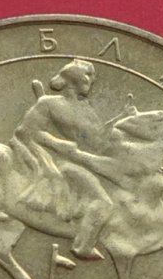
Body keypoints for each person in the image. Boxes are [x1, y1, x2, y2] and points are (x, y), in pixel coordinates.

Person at [10, 59, 114, 259]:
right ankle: (83, 246)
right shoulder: (48, 103)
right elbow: (25, 132)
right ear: (76, 81)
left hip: (84, 159)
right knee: (104, 203)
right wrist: (59, 144)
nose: (90, 84)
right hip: (58, 161)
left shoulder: (85, 108)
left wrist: (119, 119)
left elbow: (96, 139)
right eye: (88, 79)